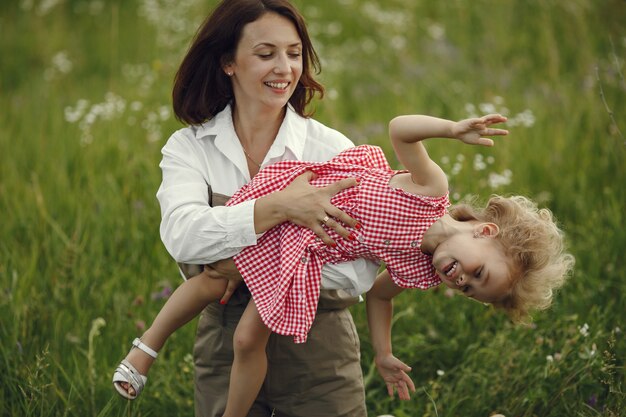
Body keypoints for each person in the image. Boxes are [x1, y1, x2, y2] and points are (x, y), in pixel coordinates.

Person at [112, 112, 575, 415]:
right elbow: (399, 129)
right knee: (214, 279)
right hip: (301, 208)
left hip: (303, 251)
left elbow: (379, 294)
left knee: (246, 333)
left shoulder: (415, 268)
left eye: (470, 290)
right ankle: (145, 350)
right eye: (478, 272)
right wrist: (452, 130)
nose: (460, 279)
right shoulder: (431, 190)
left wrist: (383, 352)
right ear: (484, 231)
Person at [113, 1, 379, 416]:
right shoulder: (190, 148)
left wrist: (244, 265)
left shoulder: (331, 149)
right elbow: (183, 236)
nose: (285, 68)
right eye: (265, 53)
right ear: (228, 63)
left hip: (320, 352)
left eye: (294, 53)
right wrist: (281, 209)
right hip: (224, 348)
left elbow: (360, 269)